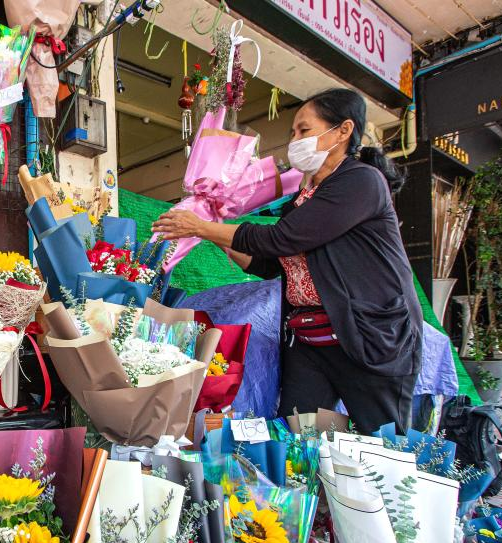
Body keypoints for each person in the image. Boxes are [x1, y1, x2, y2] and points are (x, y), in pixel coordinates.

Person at [153, 88, 422, 434]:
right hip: (310, 344)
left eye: (304, 131)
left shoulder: (360, 182)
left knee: (383, 445)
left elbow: (281, 238)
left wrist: (202, 227)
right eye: (293, 132)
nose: (295, 140)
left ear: (343, 131)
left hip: (368, 341)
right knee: (297, 439)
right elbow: (269, 263)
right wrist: (212, 226)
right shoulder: (308, 197)